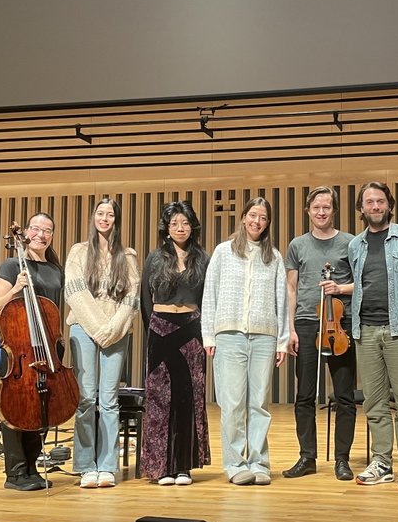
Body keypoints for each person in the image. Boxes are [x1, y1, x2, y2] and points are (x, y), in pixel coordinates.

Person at [201, 196, 289, 486]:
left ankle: (259, 462)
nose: (257, 222)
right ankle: (235, 464)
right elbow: (210, 294)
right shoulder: (223, 252)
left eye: (263, 218)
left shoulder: (273, 257)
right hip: (229, 336)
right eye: (253, 215)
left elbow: (281, 300)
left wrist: (282, 341)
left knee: (259, 403)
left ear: (268, 223)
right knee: (233, 404)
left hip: (264, 337)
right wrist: (208, 334)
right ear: (243, 217)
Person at [348, 182, 398, 488]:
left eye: (380, 201)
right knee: (374, 401)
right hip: (365, 331)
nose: (375, 206)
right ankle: (381, 461)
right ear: (361, 208)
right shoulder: (355, 246)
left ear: (389, 205)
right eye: (369, 202)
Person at [283, 186, 357, 481]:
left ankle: (342, 459)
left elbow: (361, 283)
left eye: (327, 207)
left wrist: (340, 288)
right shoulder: (297, 245)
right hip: (305, 322)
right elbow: (291, 288)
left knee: (344, 396)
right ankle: (307, 457)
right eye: (316, 207)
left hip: (340, 322)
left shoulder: (350, 243)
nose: (321, 212)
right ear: (308, 211)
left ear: (334, 210)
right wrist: (290, 328)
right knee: (304, 395)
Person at [65, 197, 140, 489]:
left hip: (116, 332)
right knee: (86, 398)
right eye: (100, 213)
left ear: (116, 220)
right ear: (93, 217)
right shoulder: (78, 251)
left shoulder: (128, 255)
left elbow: (132, 299)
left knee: (109, 400)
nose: (104, 219)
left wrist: (112, 329)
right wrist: (98, 327)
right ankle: (86, 466)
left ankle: (107, 466)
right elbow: (74, 292)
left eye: (110, 215)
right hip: (83, 328)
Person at [139, 201, 210, 485]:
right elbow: (145, 299)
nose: (180, 228)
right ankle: (161, 467)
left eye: (185, 223)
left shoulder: (202, 258)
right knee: (159, 399)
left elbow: (208, 298)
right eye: (174, 223)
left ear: (193, 226)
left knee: (188, 396)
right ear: (166, 228)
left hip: (192, 328)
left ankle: (183, 466)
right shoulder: (155, 257)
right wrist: (154, 329)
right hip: (160, 328)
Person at [0, 212, 63, 492]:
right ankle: (16, 472)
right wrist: (17, 288)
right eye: (35, 229)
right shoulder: (12, 266)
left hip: (47, 347)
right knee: (16, 409)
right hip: (19, 347)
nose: (40, 235)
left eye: (47, 230)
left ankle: (32, 467)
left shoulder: (56, 270)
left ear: (52, 236)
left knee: (43, 409)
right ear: (27, 232)